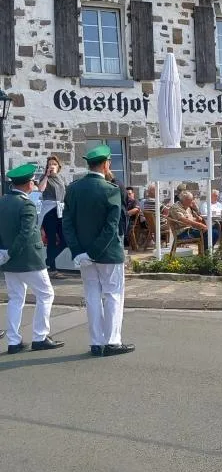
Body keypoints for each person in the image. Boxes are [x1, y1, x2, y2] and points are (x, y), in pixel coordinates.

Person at [63, 145, 134, 357]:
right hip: (108, 253)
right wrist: (93, 251)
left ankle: (96, 342)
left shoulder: (73, 189)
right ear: (106, 164)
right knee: (112, 295)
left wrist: (78, 251)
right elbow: (112, 227)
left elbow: (66, 223)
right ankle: (112, 341)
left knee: (92, 296)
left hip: (83, 254)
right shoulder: (110, 190)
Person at [0, 163, 64, 354]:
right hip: (29, 258)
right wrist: (12, 251)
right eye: (32, 182)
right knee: (46, 294)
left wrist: (4, 251)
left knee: (15, 298)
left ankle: (13, 341)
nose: (34, 184)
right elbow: (26, 233)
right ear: (28, 184)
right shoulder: (26, 203)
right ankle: (40, 336)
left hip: (9, 260)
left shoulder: (3, 201)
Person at [37, 155, 68, 279]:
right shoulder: (44, 178)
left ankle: (46, 263)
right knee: (51, 240)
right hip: (49, 211)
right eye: (50, 164)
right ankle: (52, 270)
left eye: (54, 164)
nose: (52, 166)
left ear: (58, 166)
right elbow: (41, 189)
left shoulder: (61, 178)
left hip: (60, 211)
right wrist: (46, 176)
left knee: (65, 240)